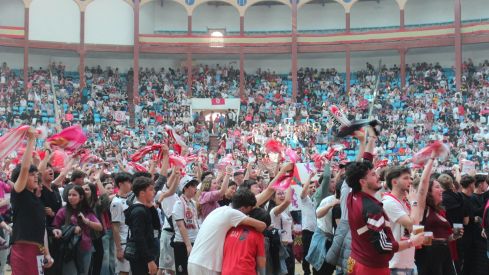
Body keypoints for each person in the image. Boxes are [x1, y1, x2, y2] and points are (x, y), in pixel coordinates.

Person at [345, 161, 424, 275]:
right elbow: (383, 245)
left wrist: (368, 143)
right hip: (372, 268)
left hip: (356, 260)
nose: (378, 176)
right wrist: (411, 242)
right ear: (362, 182)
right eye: (373, 174)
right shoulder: (373, 209)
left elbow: (359, 168)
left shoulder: (352, 196)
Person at [188, 189, 267, 275]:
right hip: (208, 265)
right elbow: (262, 225)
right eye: (250, 209)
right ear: (243, 208)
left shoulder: (220, 210)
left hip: (194, 261)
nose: (250, 213)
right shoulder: (234, 214)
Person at [10, 127, 54, 274]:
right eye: (32, 174)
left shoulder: (36, 200)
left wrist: (47, 252)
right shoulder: (19, 193)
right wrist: (31, 139)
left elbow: (42, 231)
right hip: (23, 250)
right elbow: (24, 168)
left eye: (36, 174)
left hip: (38, 250)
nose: (36, 176)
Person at [382, 160, 432, 275]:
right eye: (406, 178)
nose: (410, 181)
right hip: (395, 264)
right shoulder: (388, 202)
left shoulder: (406, 201)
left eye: (410, 178)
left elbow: (416, 227)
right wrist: (414, 202)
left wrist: (421, 237)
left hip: (409, 263)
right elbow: (412, 225)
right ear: (394, 182)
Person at [414, 177, 464, 275]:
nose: (441, 190)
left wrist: (454, 236)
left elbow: (442, 238)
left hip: (444, 254)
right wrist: (430, 162)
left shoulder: (438, 211)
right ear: (428, 192)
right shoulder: (423, 209)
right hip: (429, 256)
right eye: (437, 187)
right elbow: (416, 232)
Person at [52, 185, 103, 275]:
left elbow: (100, 227)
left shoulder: (87, 212)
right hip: (68, 249)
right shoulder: (62, 211)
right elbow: (55, 227)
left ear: (81, 197)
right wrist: (70, 229)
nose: (71, 197)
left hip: (85, 248)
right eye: (69, 195)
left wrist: (86, 221)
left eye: (74, 195)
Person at [124, 176, 158, 275]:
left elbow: (156, 226)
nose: (154, 192)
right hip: (141, 257)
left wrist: (152, 208)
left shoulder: (145, 208)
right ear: (142, 193)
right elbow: (139, 237)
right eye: (151, 190)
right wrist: (149, 260)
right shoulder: (139, 211)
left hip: (147, 253)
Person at [222, 207, 269, 275]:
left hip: (225, 272)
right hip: (246, 272)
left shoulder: (231, 229)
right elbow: (261, 262)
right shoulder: (258, 236)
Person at [173, 176, 200, 275]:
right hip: (182, 243)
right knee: (183, 271)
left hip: (194, 241)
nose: (195, 189)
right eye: (193, 186)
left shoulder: (193, 203)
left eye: (195, 186)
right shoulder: (179, 203)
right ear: (185, 188)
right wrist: (188, 245)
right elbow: (181, 226)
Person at [268, 187, 294, 275]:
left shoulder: (285, 212)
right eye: (279, 194)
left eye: (284, 193)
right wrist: (290, 185)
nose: (282, 196)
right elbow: (287, 201)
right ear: (273, 198)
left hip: (289, 247)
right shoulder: (273, 211)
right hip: (281, 249)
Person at [110, 172, 133, 275]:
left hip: (131, 240)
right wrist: (119, 249)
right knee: (124, 272)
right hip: (123, 242)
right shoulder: (116, 203)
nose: (131, 185)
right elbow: (115, 227)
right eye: (128, 182)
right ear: (120, 184)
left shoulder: (129, 199)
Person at [300, 174, 318, 275]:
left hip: (316, 230)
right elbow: (303, 191)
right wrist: (309, 178)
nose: (313, 189)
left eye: (314, 187)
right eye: (311, 187)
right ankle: (306, 272)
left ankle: (315, 271)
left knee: (315, 252)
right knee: (306, 252)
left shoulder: (315, 199)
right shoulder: (304, 198)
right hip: (306, 230)